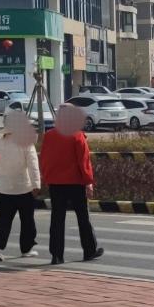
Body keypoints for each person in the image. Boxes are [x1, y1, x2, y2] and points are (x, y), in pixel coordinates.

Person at [40, 102, 103, 264]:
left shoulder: (49, 135)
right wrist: (88, 182)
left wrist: (46, 178)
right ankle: (89, 250)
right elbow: (84, 161)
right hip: (75, 182)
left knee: (57, 219)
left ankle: (56, 255)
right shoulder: (77, 135)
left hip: (55, 183)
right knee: (83, 218)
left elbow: (44, 158)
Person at [0, 108, 40, 261]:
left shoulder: (0, 143)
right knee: (27, 220)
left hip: (4, 188)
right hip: (24, 188)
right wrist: (36, 185)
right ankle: (26, 248)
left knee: (4, 221)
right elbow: (33, 166)